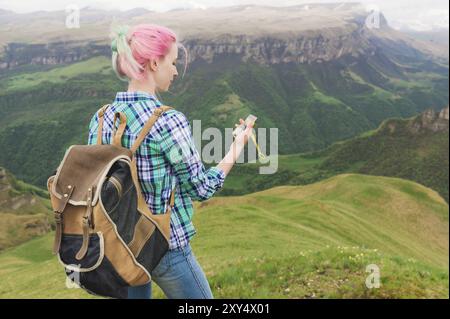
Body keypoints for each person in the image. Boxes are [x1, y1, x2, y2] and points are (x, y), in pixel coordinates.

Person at [87, 24, 254, 299]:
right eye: (173, 62)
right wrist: (236, 147)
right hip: (165, 246)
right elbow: (200, 189)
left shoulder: (101, 117)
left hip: (120, 245)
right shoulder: (167, 121)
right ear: (154, 62)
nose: (176, 71)